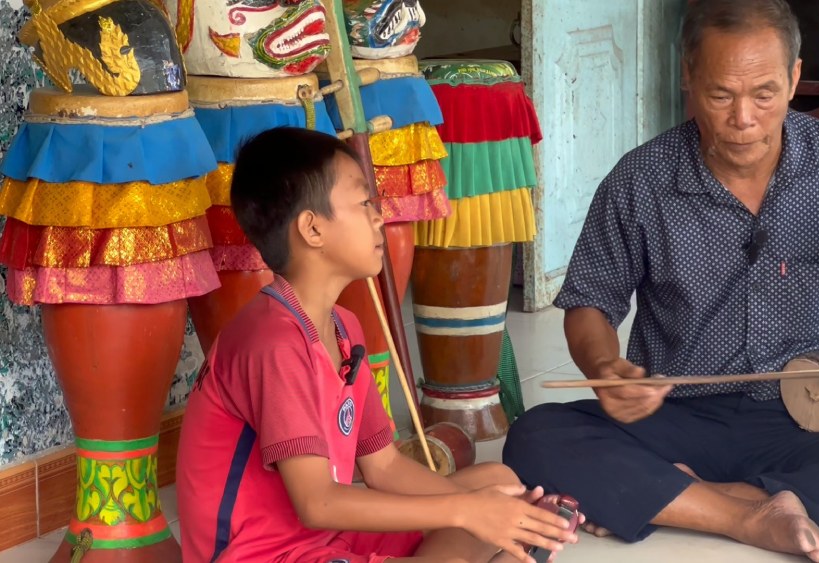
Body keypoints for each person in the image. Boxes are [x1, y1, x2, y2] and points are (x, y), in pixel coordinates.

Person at [501, 1, 819, 562]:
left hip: (797, 418)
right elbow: (590, 300)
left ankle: (681, 495)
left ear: (792, 78)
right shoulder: (642, 178)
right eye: (720, 95)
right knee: (536, 438)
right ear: (688, 76)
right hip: (675, 414)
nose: (743, 118)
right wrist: (604, 371)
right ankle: (755, 514)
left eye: (764, 94)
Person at [176, 127, 580, 563]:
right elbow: (318, 504)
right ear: (312, 229)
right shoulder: (273, 343)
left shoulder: (343, 328)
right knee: (472, 510)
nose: (378, 217)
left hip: (328, 540)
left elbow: (383, 467)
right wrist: (466, 512)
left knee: (496, 481)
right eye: (364, 202)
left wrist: (487, 511)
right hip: (263, 554)